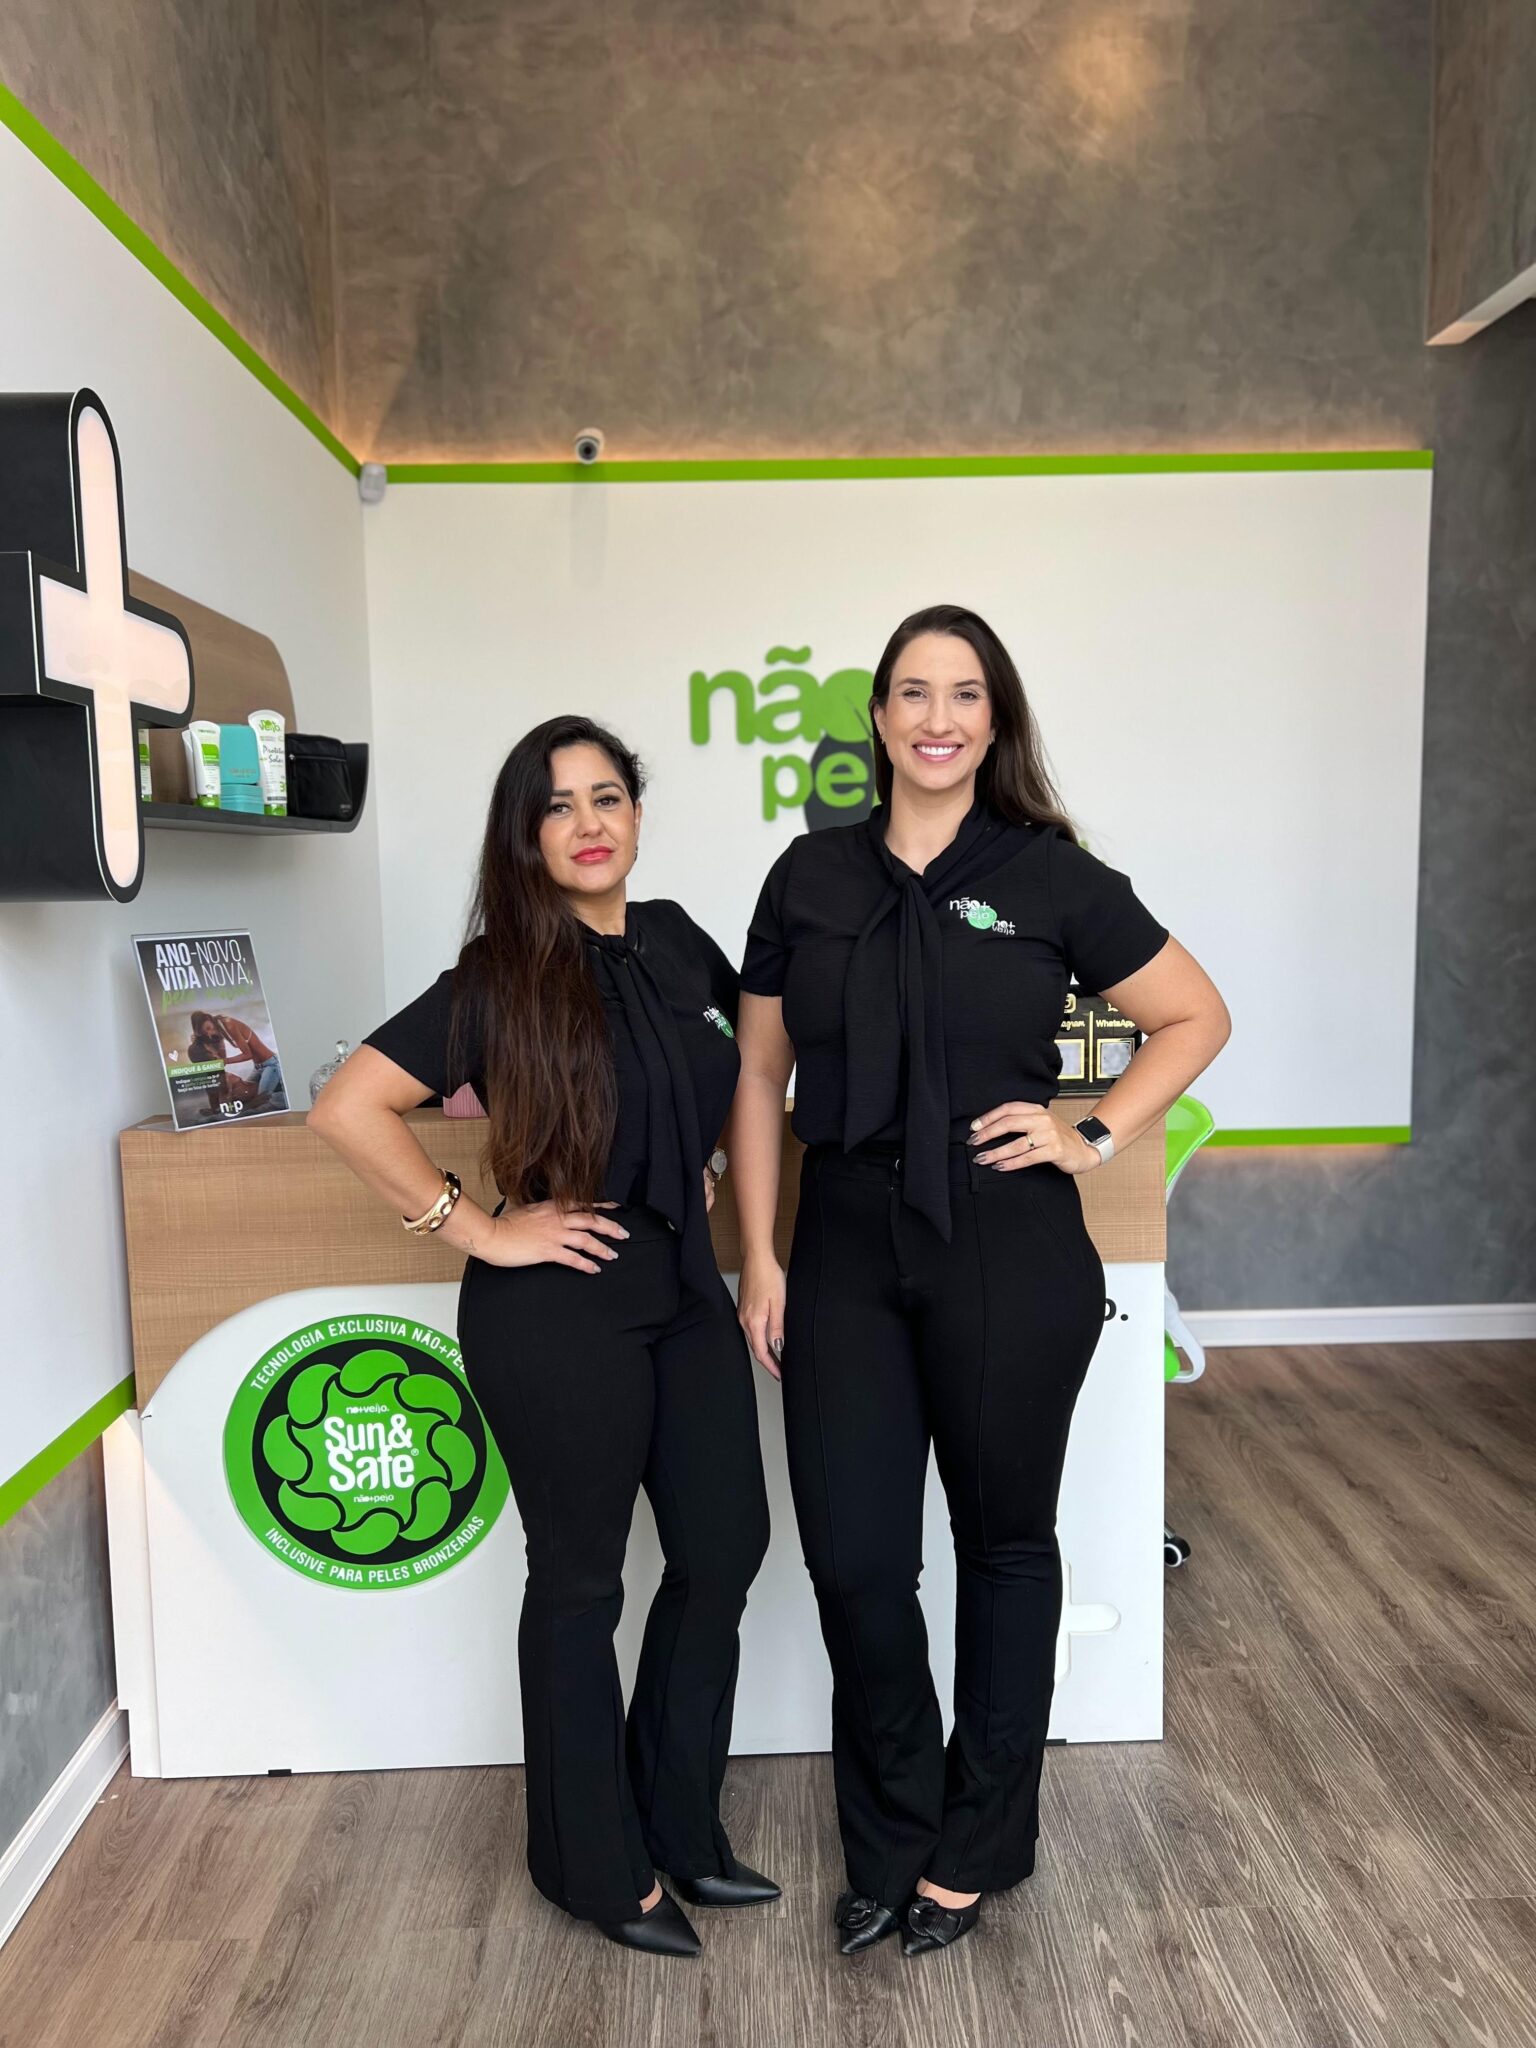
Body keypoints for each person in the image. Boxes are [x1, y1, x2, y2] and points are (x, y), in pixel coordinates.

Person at [730, 604, 1230, 1958]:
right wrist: (763, 1255)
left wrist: (1092, 1131)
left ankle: (979, 1842)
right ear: (879, 717)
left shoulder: (1050, 875)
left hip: (1007, 1236)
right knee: (856, 1560)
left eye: (963, 693)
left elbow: (1195, 1014)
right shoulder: (807, 876)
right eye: (912, 691)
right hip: (842, 1234)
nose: (936, 717)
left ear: (994, 719)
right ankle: (890, 1835)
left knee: (1007, 1544)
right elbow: (760, 1078)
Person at [310, 715, 774, 1958]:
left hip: (685, 1289)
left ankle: (677, 1822)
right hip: (560, 1306)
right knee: (579, 1583)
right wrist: (477, 1228)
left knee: (725, 1546)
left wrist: (699, 1157)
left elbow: (740, 1069)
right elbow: (349, 1106)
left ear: (638, 814)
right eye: (558, 805)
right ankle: (592, 1867)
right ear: (526, 837)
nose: (588, 822)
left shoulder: (678, 940)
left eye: (607, 796)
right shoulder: (497, 977)